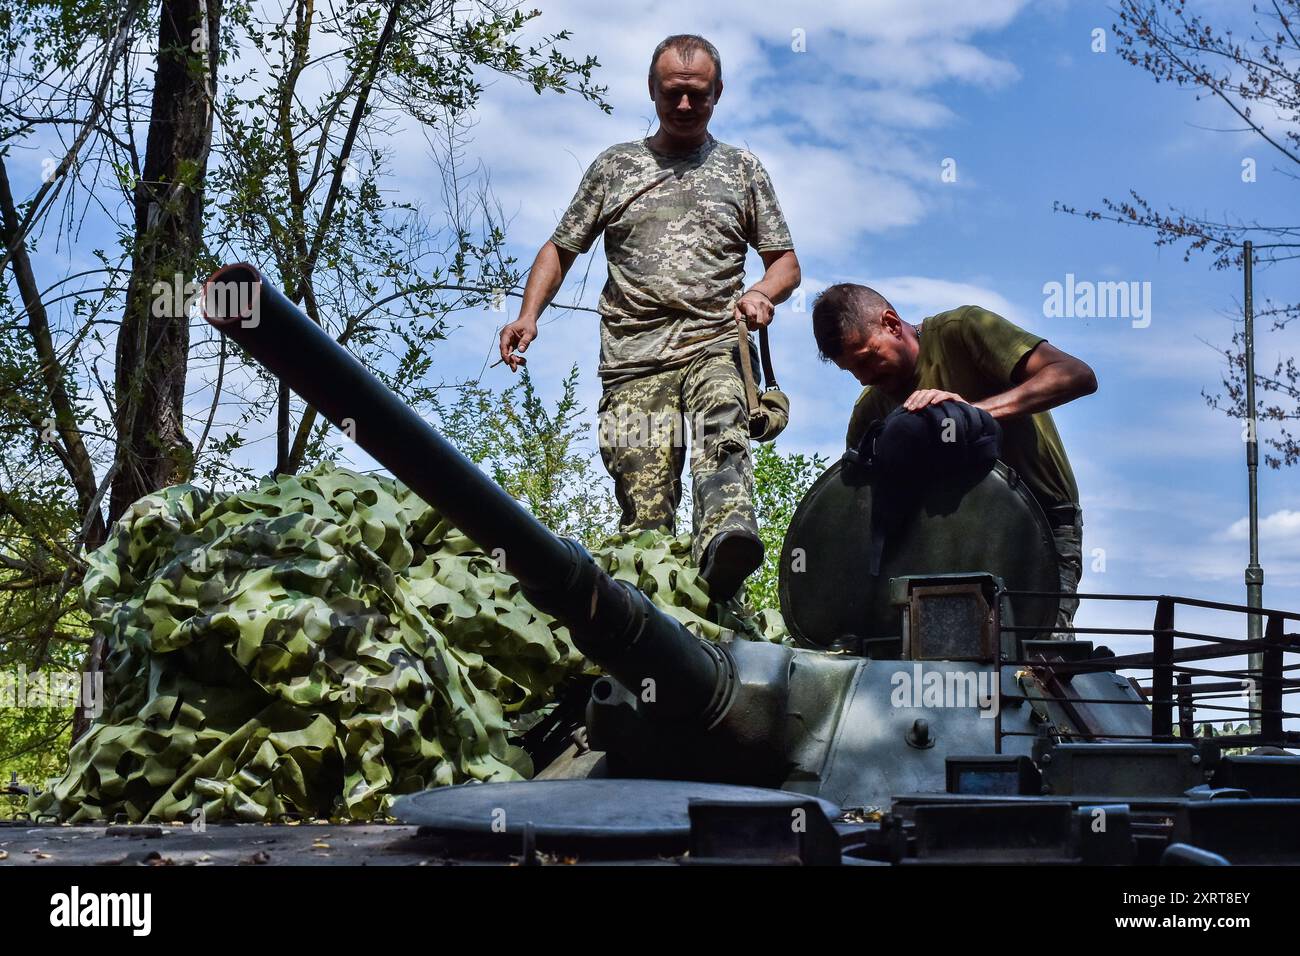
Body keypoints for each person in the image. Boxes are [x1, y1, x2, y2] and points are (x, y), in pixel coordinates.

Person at [498, 34, 800, 601]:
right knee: (644, 511)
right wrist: (527, 315)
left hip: (714, 342)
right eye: (672, 94)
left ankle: (726, 550)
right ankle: (657, 613)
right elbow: (561, 248)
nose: (685, 106)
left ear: (718, 94)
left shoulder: (742, 170)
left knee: (723, 436)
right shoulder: (615, 167)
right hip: (632, 361)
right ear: (652, 92)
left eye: (698, 95)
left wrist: (763, 292)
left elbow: (785, 262)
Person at [811, 284, 1097, 629]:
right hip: (944, 545)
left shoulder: (964, 331)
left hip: (1042, 524)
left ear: (890, 323)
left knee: (1036, 656)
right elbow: (862, 511)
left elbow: (1076, 375)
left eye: (868, 358)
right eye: (852, 371)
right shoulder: (870, 411)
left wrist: (969, 414)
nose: (864, 378)